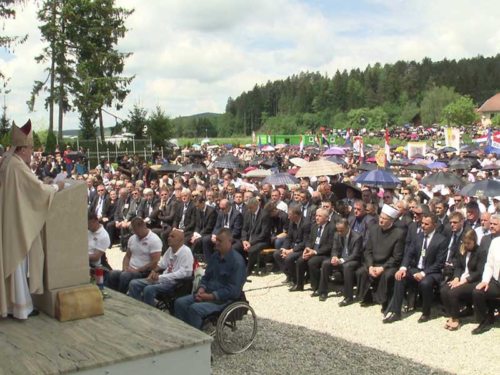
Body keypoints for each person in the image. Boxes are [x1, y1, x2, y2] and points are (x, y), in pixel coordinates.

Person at [0, 120, 65, 319]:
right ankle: (20, 307)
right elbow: (35, 191)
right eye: (30, 148)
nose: (32, 152)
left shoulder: (8, 161)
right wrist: (56, 187)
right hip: (16, 221)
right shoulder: (16, 165)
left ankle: (14, 305)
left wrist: (41, 183)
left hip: (10, 217)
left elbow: (28, 187)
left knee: (15, 260)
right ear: (23, 149)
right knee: (18, 260)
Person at [174, 228, 246, 329]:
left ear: (229, 242)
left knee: (195, 309)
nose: (216, 243)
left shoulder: (237, 262)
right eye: (216, 239)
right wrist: (201, 289)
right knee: (179, 303)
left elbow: (233, 290)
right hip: (206, 293)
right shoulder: (215, 256)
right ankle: (181, 330)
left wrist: (210, 296)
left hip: (223, 301)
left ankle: (195, 338)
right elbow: (206, 276)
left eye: (220, 241)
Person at [383, 213, 448, 323]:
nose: (423, 226)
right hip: (416, 269)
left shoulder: (441, 240)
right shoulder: (418, 237)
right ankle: (396, 312)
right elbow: (409, 254)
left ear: (435, 225)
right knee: (400, 277)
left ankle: (426, 313)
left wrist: (423, 273)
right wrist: (403, 268)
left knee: (425, 283)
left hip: (432, 272)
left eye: (426, 224)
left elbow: (439, 263)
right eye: (422, 223)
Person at [356, 204, 405, 308]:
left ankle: (384, 301)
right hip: (373, 263)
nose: (381, 220)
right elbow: (368, 251)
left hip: (388, 264)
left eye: (384, 218)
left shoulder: (398, 233)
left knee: (387, 275)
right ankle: (366, 297)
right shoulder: (374, 229)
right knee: (361, 271)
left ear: (391, 221)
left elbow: (396, 257)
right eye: (380, 217)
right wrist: (370, 266)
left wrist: (382, 268)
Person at [128, 229, 193, 306]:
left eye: (172, 236)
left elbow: (183, 274)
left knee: (149, 289)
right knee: (134, 283)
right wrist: (154, 272)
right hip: (162, 279)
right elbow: (162, 264)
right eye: (169, 236)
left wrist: (160, 277)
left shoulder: (186, 252)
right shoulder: (170, 249)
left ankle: (149, 312)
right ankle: (137, 306)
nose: (169, 238)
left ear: (180, 240)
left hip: (174, 284)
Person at [440, 229, 487, 331]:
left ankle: (456, 319)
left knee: (453, 292)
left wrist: (464, 281)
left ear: (474, 241)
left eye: (468, 243)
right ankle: (451, 315)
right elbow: (458, 266)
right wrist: (456, 278)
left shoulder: (481, 252)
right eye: (464, 243)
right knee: (444, 290)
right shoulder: (462, 249)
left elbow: (479, 272)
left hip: (473, 281)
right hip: (461, 278)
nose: (466, 245)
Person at [106, 217, 162, 293]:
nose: (136, 234)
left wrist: (137, 270)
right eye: (134, 231)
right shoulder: (132, 238)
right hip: (130, 269)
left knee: (125, 276)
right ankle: (112, 294)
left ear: (144, 226)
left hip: (143, 272)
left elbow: (154, 262)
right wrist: (125, 267)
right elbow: (127, 256)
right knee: (112, 274)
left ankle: (121, 297)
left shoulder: (154, 240)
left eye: (137, 232)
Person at [317, 218, 363, 304]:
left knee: (347, 266)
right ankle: (323, 291)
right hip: (340, 259)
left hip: (353, 260)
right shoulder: (337, 234)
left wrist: (341, 260)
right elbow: (334, 249)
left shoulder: (357, 237)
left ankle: (348, 297)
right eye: (338, 230)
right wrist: (334, 257)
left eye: (341, 231)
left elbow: (355, 255)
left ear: (348, 227)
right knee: (326, 263)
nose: (339, 233)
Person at [290, 208, 334, 294]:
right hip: (313, 251)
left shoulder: (331, 227)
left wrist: (314, 252)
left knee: (312, 262)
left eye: (319, 216)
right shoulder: (314, 226)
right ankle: (299, 285)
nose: (317, 218)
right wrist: (307, 249)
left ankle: (316, 287)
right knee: (300, 261)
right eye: (316, 216)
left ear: (326, 218)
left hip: (324, 253)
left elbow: (330, 245)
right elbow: (309, 240)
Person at [472, 236, 500, 334]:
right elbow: (489, 264)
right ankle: (484, 320)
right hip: (497, 282)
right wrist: (485, 281)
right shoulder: (495, 242)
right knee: (478, 292)